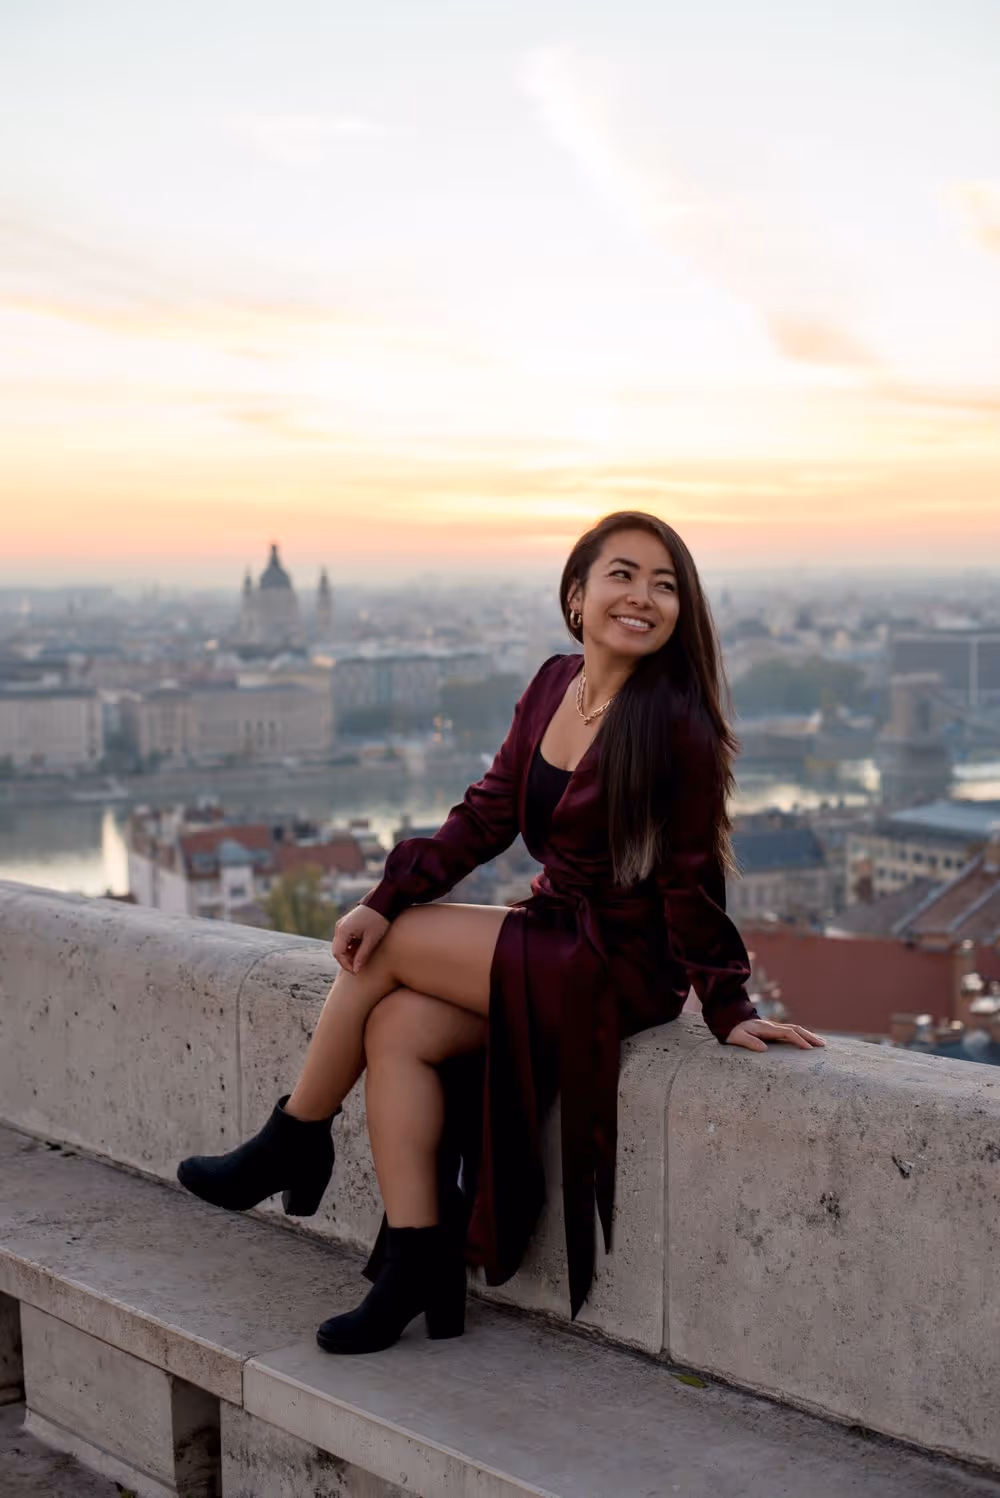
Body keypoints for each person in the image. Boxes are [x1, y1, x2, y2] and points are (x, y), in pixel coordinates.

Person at [177, 510, 825, 1355]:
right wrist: (390, 888)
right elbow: (487, 814)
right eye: (622, 575)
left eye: (666, 585)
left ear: (682, 612)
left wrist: (728, 1005)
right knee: (396, 1026)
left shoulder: (677, 725)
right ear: (577, 595)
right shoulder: (555, 684)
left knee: (397, 941)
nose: (644, 597)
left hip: (617, 964)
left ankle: (293, 1139)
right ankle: (418, 1259)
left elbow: (691, 877)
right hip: (553, 932)